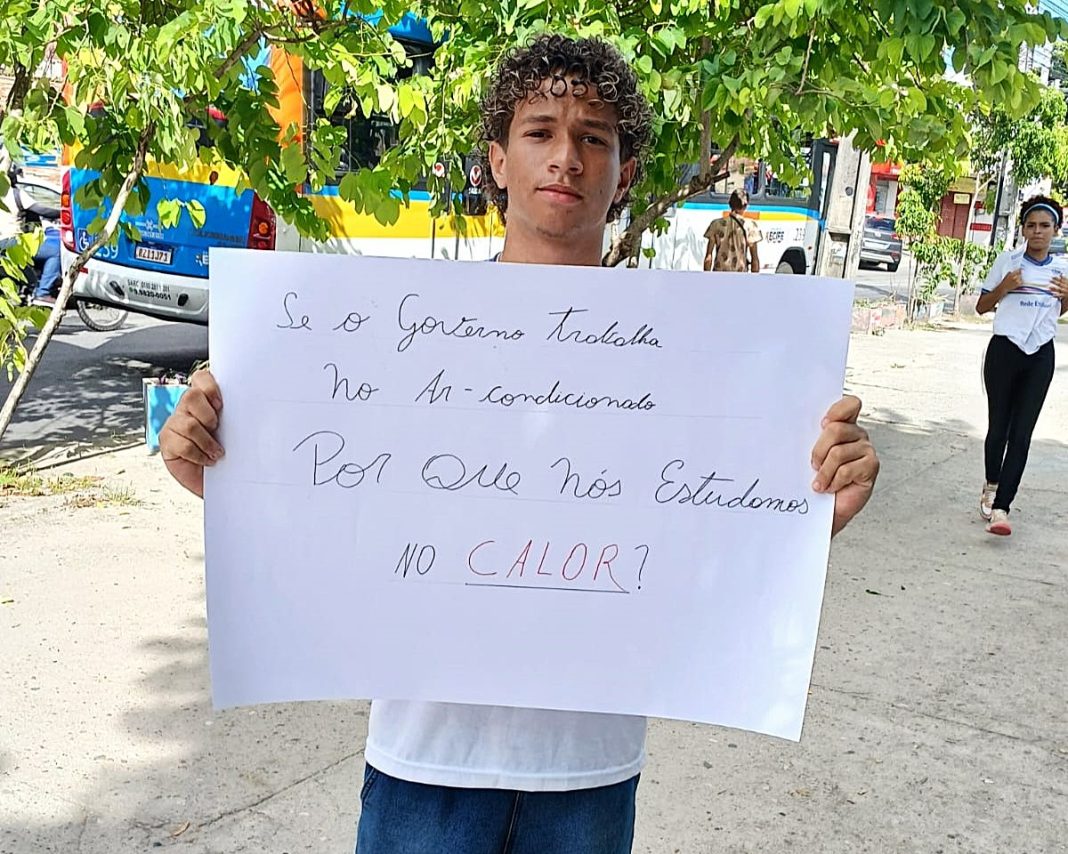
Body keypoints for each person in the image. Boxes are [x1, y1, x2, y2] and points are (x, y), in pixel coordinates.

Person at [159, 34, 880, 853]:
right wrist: (215, 473)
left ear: (627, 174)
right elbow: (337, 501)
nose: (565, 157)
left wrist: (814, 513)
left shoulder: (690, 358)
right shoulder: (401, 338)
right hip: (422, 764)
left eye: (594, 138)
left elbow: (707, 534)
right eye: (540, 132)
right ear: (498, 161)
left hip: (589, 774)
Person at [976, 195, 1068, 536]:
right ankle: (991, 484)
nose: (1038, 232)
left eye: (1045, 226)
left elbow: (1057, 311)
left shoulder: (1063, 268)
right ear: (1024, 229)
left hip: (1040, 355)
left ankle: (1002, 508)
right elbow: (982, 307)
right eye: (1032, 225)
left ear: (1056, 229)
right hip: (1004, 351)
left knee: (1022, 433)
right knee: (998, 427)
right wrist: (1005, 287)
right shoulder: (1008, 262)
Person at [0, 159, 62, 306]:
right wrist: (63, 213)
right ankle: (42, 293)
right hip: (13, 244)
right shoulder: (15, 194)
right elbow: (41, 210)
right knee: (56, 250)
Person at [703, 188, 762, 273]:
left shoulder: (715, 224)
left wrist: (706, 277)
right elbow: (754, 259)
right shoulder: (750, 227)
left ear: (730, 204)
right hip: (740, 278)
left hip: (718, 276)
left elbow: (708, 257)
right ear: (745, 206)